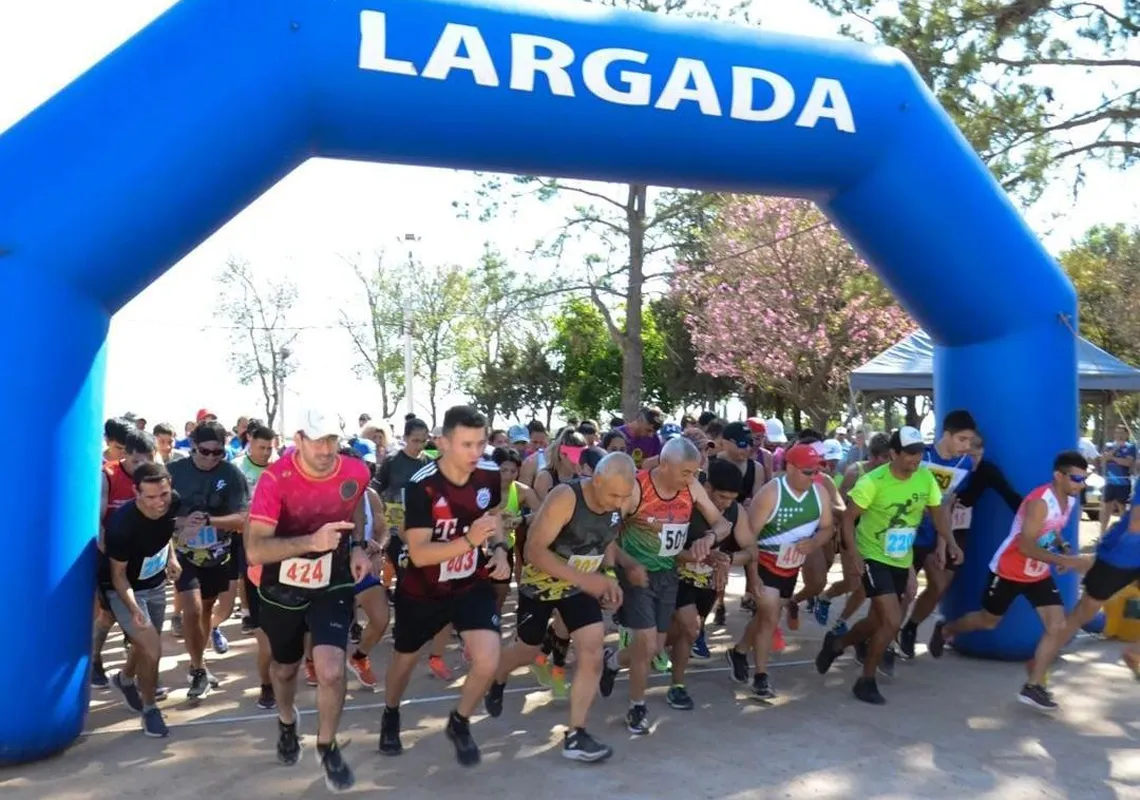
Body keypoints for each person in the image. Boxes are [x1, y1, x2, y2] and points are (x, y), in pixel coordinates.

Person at [245, 408, 372, 791]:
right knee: (285, 669)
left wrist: (360, 547)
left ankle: (326, 744)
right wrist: (309, 543)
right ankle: (287, 721)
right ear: (298, 440)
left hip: (331, 580)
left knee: (332, 668)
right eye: (317, 439)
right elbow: (255, 550)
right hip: (280, 585)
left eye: (332, 439)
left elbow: (357, 514)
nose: (325, 448)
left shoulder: (356, 471)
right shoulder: (274, 479)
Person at [379, 405, 511, 767]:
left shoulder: (487, 474)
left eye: (480, 444)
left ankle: (460, 720)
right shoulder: (421, 484)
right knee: (404, 661)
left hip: (470, 583)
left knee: (488, 657)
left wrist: (498, 550)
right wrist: (470, 541)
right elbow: (419, 554)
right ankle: (390, 712)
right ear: (443, 443)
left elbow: (494, 518)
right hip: (422, 588)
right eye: (466, 444)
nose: (475, 453)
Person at [485, 453, 637, 762]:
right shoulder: (565, 497)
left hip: (579, 586)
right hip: (541, 581)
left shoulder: (618, 500)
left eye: (625, 496)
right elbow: (534, 551)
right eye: (613, 495)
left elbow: (605, 539)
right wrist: (588, 579)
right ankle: (497, 676)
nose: (619, 503)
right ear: (596, 480)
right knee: (527, 650)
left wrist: (607, 576)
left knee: (592, 651)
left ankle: (576, 734)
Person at [929, 451, 1092, 711]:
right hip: (1009, 570)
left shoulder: (1069, 500)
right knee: (988, 621)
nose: (1081, 484)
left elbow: (1053, 528)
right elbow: (1026, 546)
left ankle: (1034, 686)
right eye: (1075, 478)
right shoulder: (1040, 502)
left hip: (1038, 572)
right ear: (1058, 476)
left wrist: (1063, 546)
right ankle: (947, 630)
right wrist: (1071, 562)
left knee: (1057, 626)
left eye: (1084, 479)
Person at [598, 436, 733, 735]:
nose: (692, 478)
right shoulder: (636, 488)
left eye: (695, 473)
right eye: (686, 472)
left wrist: (707, 539)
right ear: (665, 465)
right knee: (646, 644)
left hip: (668, 572)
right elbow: (605, 533)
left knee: (655, 648)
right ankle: (637, 706)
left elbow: (723, 525)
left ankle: (612, 661)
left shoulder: (692, 487)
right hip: (636, 574)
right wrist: (621, 567)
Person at [815, 426, 952, 705]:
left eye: (919, 453)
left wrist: (950, 542)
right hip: (872, 556)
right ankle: (866, 681)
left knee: (876, 621)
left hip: (900, 558)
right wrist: (853, 556)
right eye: (910, 453)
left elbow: (938, 514)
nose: (916, 458)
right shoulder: (873, 482)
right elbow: (848, 521)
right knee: (891, 621)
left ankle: (837, 644)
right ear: (893, 453)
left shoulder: (925, 479)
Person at [726, 443, 832, 698]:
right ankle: (760, 676)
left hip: (790, 567)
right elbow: (748, 538)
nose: (813, 477)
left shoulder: (820, 493)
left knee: (766, 617)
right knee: (770, 616)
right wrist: (752, 578)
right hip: (765, 562)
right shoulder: (771, 494)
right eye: (808, 472)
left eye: (816, 471)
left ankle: (739, 651)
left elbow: (828, 528)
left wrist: (814, 542)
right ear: (791, 468)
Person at [168, 421, 248, 698]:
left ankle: (197, 663)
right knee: (190, 610)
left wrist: (208, 521)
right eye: (205, 451)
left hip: (217, 556)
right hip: (183, 554)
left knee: (204, 611)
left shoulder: (232, 474)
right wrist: (182, 522)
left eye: (218, 453)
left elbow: (242, 520)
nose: (212, 458)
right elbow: (156, 513)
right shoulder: (173, 472)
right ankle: (199, 670)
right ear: (192, 446)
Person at [102, 462, 182, 737]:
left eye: (164, 494)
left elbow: (166, 533)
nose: (159, 502)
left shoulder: (173, 502)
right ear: (135, 492)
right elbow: (118, 576)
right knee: (152, 649)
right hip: (125, 590)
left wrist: (172, 558)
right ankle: (150, 710)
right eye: (150, 497)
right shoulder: (121, 525)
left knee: (143, 644)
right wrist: (133, 607)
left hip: (157, 585)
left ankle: (124, 680)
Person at [1033, 500, 1140, 696]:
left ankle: (1136, 652)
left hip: (1127, 554)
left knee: (1081, 614)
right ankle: (1038, 667)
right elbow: (1136, 524)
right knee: (1081, 615)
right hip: (1119, 556)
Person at [673, 458, 756, 702]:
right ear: (706, 488)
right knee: (688, 629)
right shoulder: (685, 502)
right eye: (721, 497)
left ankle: (675, 684)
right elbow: (666, 552)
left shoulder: (735, 511)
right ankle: (677, 684)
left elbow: (751, 551)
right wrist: (703, 556)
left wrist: (727, 559)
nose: (725, 504)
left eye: (731, 499)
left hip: (708, 583)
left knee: (682, 634)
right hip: (675, 577)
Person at [897, 410, 977, 660]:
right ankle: (885, 639)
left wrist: (943, 545)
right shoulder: (921, 457)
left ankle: (910, 628)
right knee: (905, 591)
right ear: (947, 435)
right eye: (962, 440)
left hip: (932, 535)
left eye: (969, 441)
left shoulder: (964, 465)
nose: (966, 446)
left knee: (939, 585)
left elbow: (948, 504)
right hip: (903, 533)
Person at [1101, 425, 1136, 535]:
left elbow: (1127, 463)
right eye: (1117, 432)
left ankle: (1124, 534)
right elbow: (1104, 459)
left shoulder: (1131, 447)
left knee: (1122, 509)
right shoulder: (1109, 445)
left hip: (1123, 482)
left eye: (1121, 433)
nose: (1119, 435)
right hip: (1109, 482)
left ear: (1126, 435)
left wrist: (1113, 458)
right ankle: (1102, 534)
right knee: (1106, 509)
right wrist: (1115, 449)